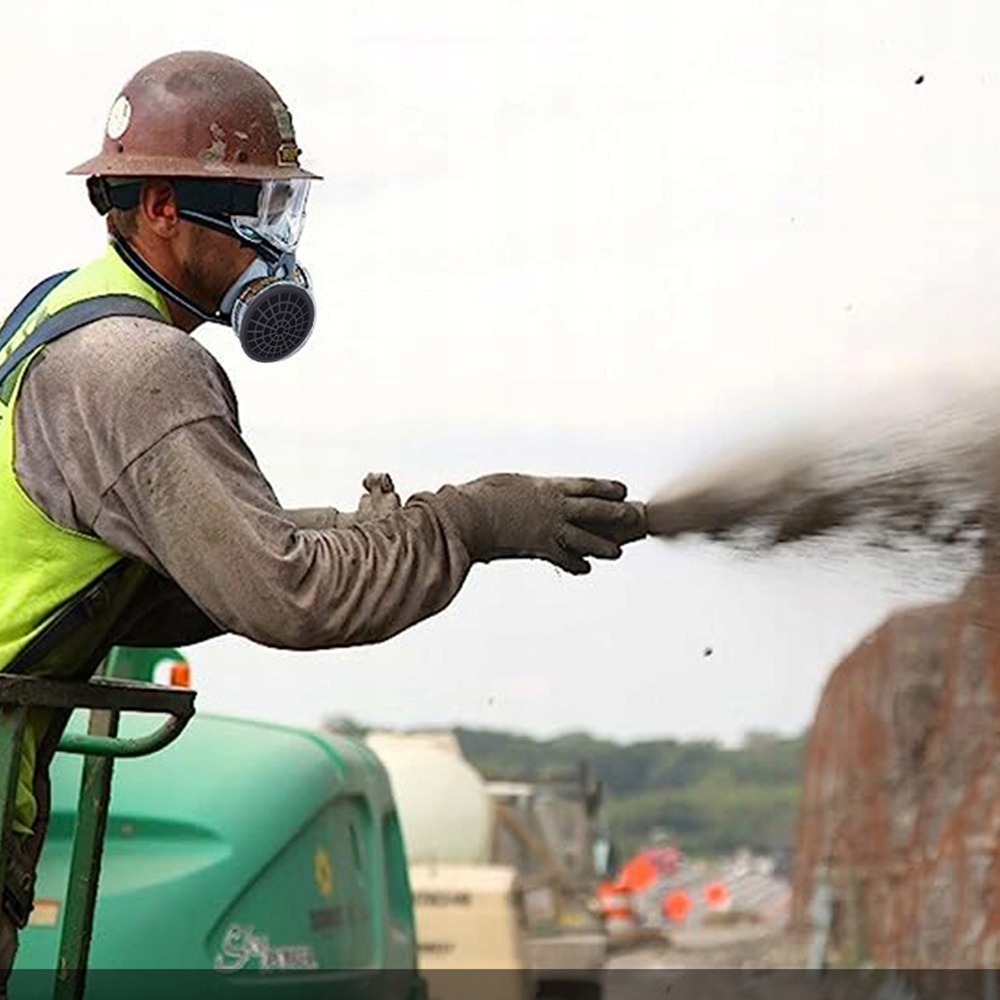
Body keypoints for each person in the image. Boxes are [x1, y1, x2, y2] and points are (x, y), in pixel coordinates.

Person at [0, 50, 646, 979]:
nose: (278, 242)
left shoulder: (57, 319)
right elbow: (288, 596)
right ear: (163, 208)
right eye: (258, 207)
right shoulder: (141, 370)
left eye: (284, 208)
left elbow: (163, 567)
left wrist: (362, 529)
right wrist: (463, 527)